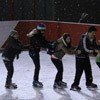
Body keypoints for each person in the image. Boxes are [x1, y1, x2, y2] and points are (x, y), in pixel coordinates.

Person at [70, 26, 98, 91]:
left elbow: (95, 45)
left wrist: (97, 50)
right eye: (93, 33)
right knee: (79, 72)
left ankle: (89, 83)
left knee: (88, 70)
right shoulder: (84, 38)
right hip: (79, 57)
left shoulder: (93, 38)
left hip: (86, 56)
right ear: (88, 32)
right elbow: (85, 49)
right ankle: (74, 85)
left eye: (95, 33)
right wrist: (94, 51)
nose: (94, 34)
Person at [27, 23, 54, 88]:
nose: (43, 32)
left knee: (37, 67)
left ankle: (35, 80)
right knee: (37, 67)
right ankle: (35, 81)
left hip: (34, 51)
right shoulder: (36, 36)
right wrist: (50, 46)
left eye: (44, 30)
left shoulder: (39, 35)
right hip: (33, 52)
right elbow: (42, 44)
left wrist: (51, 42)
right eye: (42, 30)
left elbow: (44, 41)